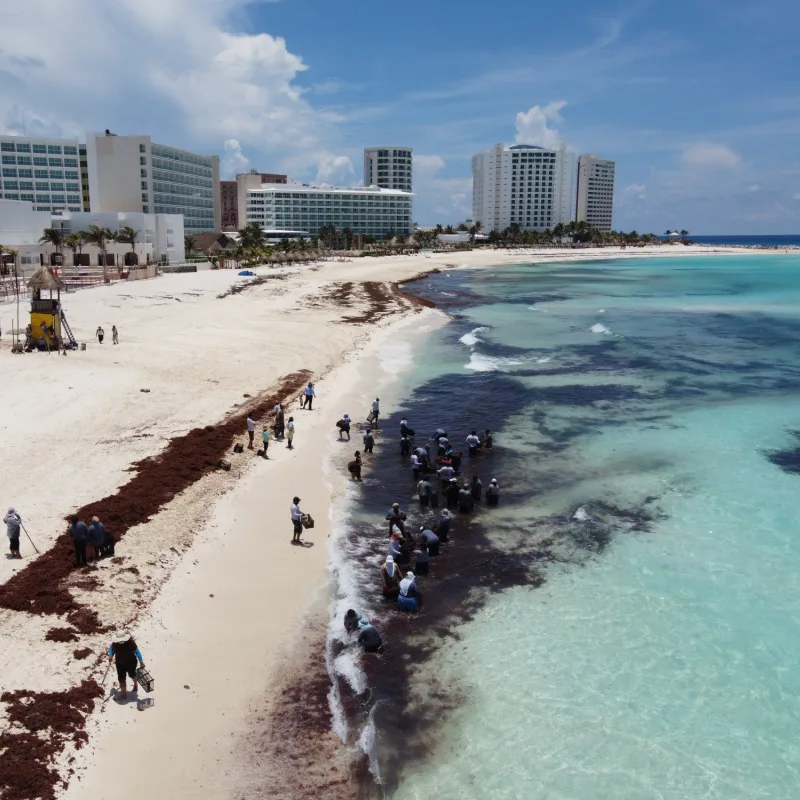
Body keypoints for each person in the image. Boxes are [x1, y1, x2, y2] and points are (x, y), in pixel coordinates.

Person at [108, 632, 145, 701]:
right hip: (119, 663)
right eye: (120, 640)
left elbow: (137, 652)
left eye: (122, 640)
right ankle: (124, 695)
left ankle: (135, 684)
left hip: (131, 662)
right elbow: (111, 648)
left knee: (132, 675)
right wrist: (110, 655)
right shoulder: (115, 643)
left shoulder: (130, 642)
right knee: (121, 679)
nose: (121, 641)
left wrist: (141, 662)